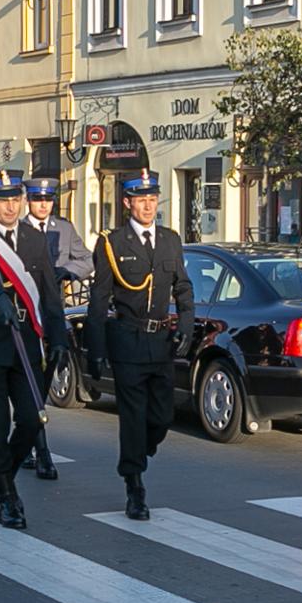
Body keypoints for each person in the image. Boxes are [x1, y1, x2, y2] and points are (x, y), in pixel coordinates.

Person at [0, 172, 69, 529]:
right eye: (3, 199)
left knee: (31, 417)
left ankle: (2, 470)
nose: (11, 206)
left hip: (27, 338)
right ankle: (7, 494)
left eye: (15, 199)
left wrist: (59, 338)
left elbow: (50, 293)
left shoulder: (36, 240)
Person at [85, 169, 194, 521]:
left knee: (162, 416)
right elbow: (99, 300)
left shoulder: (170, 240)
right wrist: (95, 350)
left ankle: (141, 451)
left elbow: (183, 287)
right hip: (128, 341)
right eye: (141, 200)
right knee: (132, 417)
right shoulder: (112, 243)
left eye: (152, 199)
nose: (148, 206)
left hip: (161, 340)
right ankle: (135, 486)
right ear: (127, 203)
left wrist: (187, 327)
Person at [19, 177, 93, 480]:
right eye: (38, 200)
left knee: (40, 382)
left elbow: (86, 259)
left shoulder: (63, 228)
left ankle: (31, 440)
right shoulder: (17, 230)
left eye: (48, 200)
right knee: (26, 384)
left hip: (51, 314)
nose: (43, 205)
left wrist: (67, 271)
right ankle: (39, 448)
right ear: (29, 201)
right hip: (24, 315)